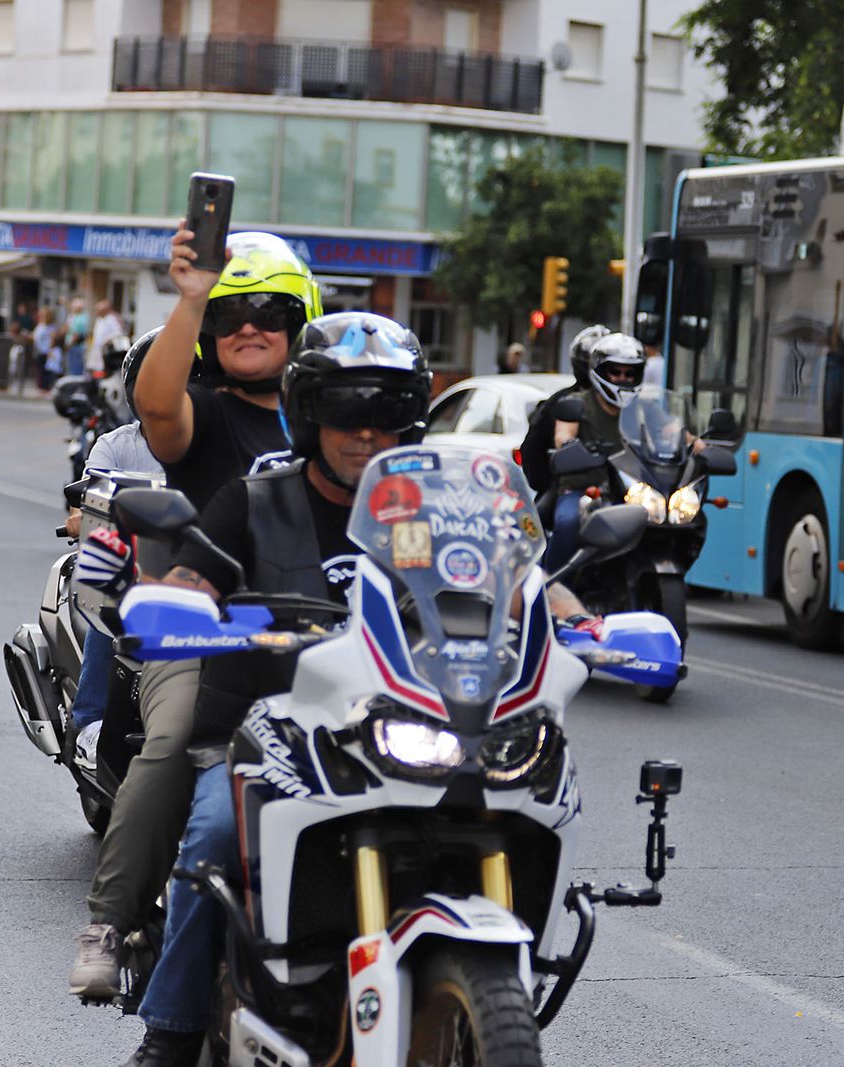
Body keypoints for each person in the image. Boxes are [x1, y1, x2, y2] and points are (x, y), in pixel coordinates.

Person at [113, 312, 598, 1065]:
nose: (366, 432)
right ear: (310, 413)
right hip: (270, 730)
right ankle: (169, 1033)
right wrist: (178, 607)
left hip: (404, 723)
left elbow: (519, 576)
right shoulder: (254, 501)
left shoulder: (439, 509)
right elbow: (187, 578)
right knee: (213, 837)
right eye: (346, 410)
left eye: (387, 411)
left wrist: (587, 624)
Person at [68, 227, 321, 1003]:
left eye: (269, 310)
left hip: (330, 644)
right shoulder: (203, 414)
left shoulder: (343, 420)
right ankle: (110, 920)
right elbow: (154, 404)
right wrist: (190, 296)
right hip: (208, 636)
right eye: (231, 311)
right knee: (177, 736)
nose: (249, 324)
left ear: (301, 323)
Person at [62, 328, 170, 774]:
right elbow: (81, 508)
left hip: (197, 571)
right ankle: (89, 724)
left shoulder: (214, 446)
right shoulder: (116, 445)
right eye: (156, 382)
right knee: (115, 604)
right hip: (133, 569)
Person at [520, 329, 643, 571]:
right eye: (615, 371)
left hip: (630, 490)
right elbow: (558, 438)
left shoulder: (640, 407)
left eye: (628, 373)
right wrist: (567, 447)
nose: (621, 378)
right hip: (581, 488)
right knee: (568, 522)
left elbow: (670, 429)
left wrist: (694, 442)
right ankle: (551, 585)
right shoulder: (573, 402)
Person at [88, 299, 126, 375]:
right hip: (97, 350)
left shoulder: (111, 319)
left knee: (102, 372)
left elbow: (118, 332)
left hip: (106, 352)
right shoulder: (99, 319)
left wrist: (107, 340)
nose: (97, 312)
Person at [66, 297, 90, 378]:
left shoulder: (80, 319)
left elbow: (77, 335)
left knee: (75, 369)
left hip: (76, 347)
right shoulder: (80, 316)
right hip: (78, 347)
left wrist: (69, 345)